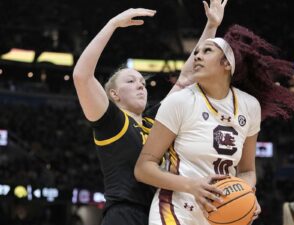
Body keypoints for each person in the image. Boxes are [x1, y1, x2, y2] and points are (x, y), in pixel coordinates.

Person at [134, 20, 294, 225]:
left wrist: (247, 192)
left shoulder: (249, 106)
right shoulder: (179, 101)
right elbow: (143, 168)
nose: (197, 55)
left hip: (222, 214)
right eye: (196, 53)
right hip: (175, 211)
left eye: (207, 51)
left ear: (227, 64)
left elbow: (247, 171)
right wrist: (191, 185)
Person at [73, 2, 227, 225]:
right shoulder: (111, 121)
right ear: (114, 94)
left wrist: (211, 26)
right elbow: (81, 75)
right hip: (124, 214)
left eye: (142, 82)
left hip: (159, 215)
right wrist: (113, 24)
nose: (141, 85)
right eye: (131, 81)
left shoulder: (152, 122)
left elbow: (186, 79)